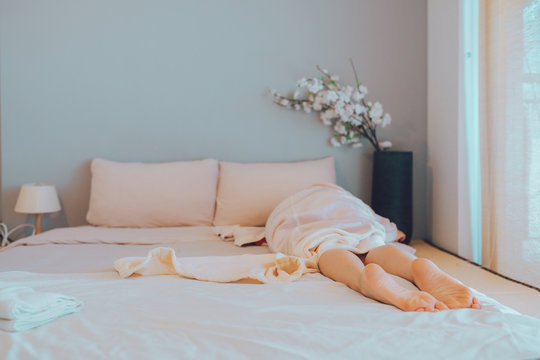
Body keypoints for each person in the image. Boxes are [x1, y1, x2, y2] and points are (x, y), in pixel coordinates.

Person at [265, 183, 481, 312]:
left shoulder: (289, 205)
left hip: (312, 225)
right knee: (373, 243)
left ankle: (361, 280)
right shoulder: (344, 198)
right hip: (354, 218)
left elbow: (274, 232)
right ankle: (416, 267)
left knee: (327, 248)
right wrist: (393, 232)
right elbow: (381, 221)